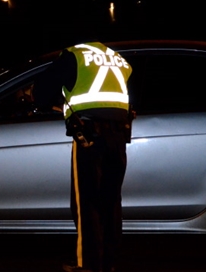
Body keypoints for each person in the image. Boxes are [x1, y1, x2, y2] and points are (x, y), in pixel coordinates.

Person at [33, 42, 133, 272]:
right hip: (118, 136)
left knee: (86, 202)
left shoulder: (73, 56)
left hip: (89, 136)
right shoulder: (118, 58)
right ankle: (108, 263)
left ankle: (87, 264)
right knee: (111, 202)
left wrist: (53, 103)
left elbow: (41, 94)